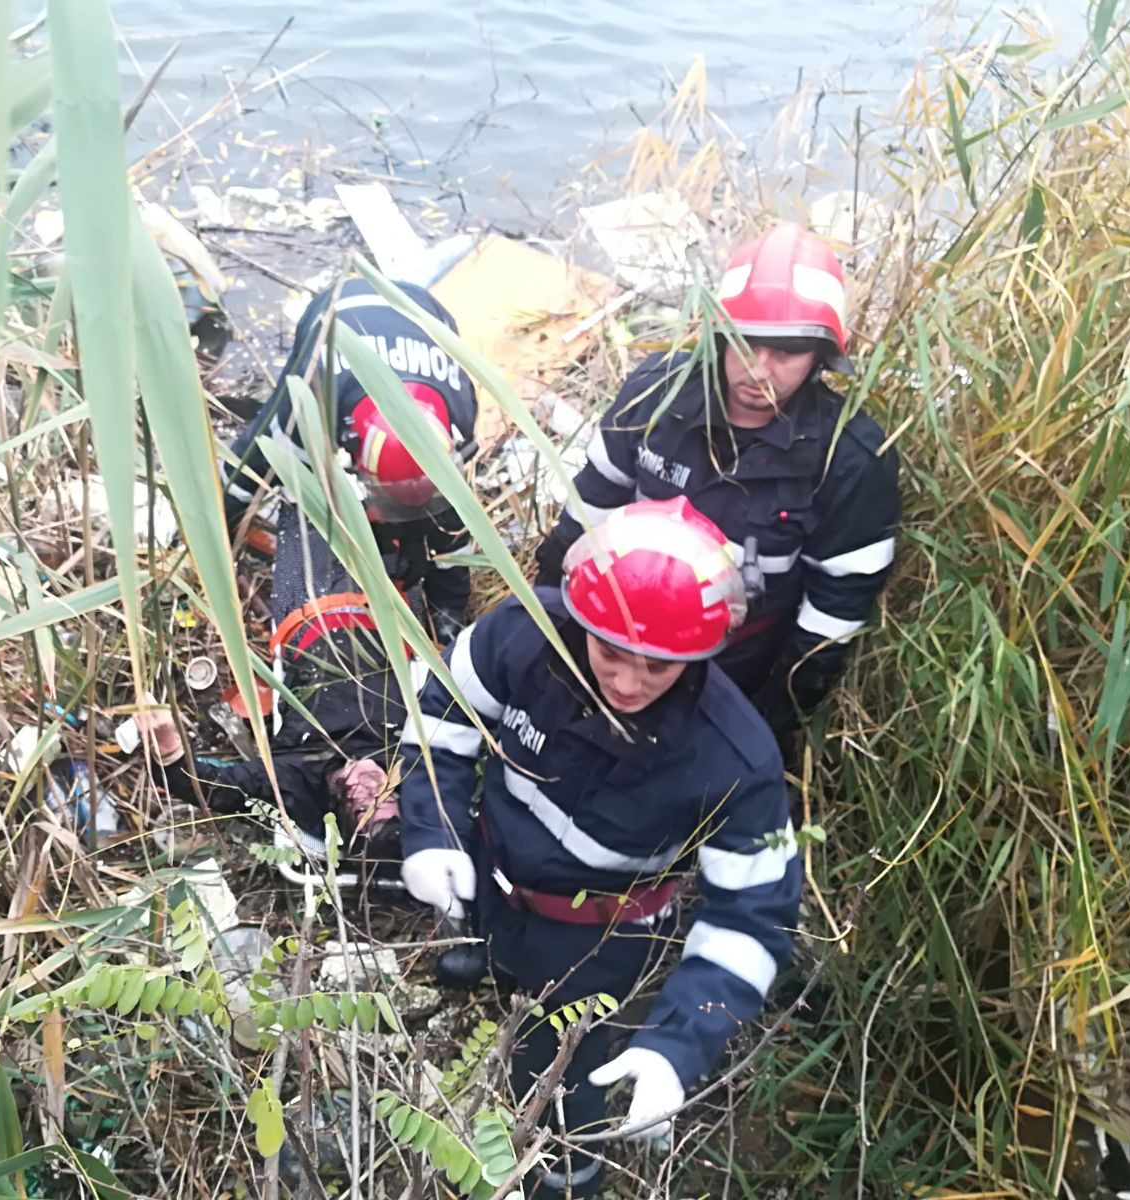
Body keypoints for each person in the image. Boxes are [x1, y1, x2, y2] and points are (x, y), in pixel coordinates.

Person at [400, 498, 802, 1198]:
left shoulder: (734, 756)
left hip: (599, 940)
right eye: (611, 654)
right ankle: (495, 966)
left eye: (657, 667)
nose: (626, 683)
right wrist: (432, 833)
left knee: (564, 1084)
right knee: (498, 963)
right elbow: (440, 720)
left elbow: (753, 916)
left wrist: (677, 1048)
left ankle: (565, 1181)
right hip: (493, 881)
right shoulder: (518, 636)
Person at [535, 224, 900, 745]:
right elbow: (585, 514)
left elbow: (837, 607)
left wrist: (774, 715)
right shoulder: (653, 395)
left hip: (730, 670)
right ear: (716, 335)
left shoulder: (849, 458)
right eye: (743, 343)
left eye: (786, 352)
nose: (759, 371)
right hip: (612, 640)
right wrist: (546, 633)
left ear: (820, 358)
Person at [139, 504, 410, 862]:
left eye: (362, 810)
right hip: (387, 615)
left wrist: (169, 754)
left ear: (341, 816)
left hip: (307, 613)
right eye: (387, 798)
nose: (373, 789)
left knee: (306, 502)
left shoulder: (296, 784)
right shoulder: (418, 760)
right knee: (393, 509)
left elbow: (219, 789)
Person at [223, 275, 480, 641]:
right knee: (306, 493)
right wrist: (215, 525)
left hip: (422, 310)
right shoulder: (309, 400)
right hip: (334, 312)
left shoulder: (461, 408)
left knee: (441, 519)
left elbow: (455, 528)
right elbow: (247, 466)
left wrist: (450, 610)